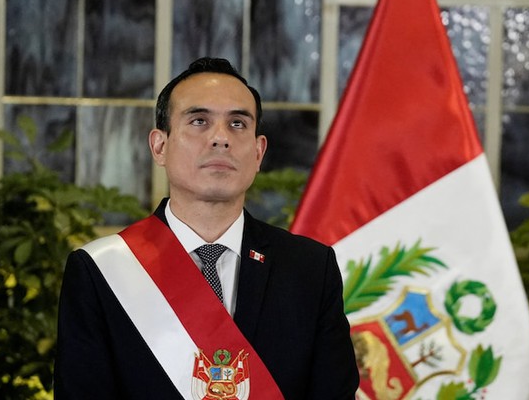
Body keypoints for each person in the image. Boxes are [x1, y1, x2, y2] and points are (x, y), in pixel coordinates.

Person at [54, 57, 359, 399]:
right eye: (199, 121)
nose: (220, 138)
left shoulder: (309, 270)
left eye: (238, 124)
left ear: (259, 152)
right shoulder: (101, 271)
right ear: (160, 146)